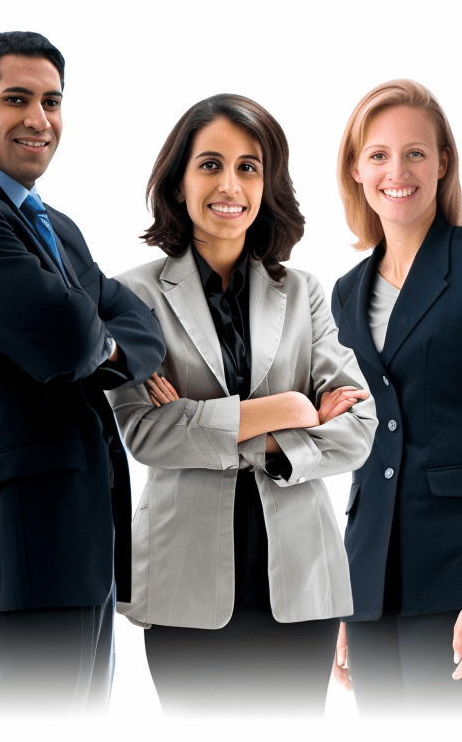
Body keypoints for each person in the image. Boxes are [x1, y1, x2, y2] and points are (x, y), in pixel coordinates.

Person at [106, 94, 375, 715]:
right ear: (177, 181)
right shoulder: (132, 294)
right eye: (210, 164)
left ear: (268, 182)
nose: (230, 184)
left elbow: (359, 427)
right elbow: (145, 433)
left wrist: (216, 430)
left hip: (301, 580)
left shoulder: (304, 291)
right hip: (184, 582)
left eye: (249, 166)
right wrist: (294, 407)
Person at [0, 31, 165, 715]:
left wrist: (103, 341)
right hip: (19, 534)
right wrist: (99, 340)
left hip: (80, 530)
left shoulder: (55, 225)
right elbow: (68, 339)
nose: (39, 119)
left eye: (52, 101)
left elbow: (144, 328)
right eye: (17, 99)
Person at [330, 79, 462, 714]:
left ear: (443, 163)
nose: (397, 171)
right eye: (378, 154)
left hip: (451, 571)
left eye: (415, 152)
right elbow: (360, 449)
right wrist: (344, 596)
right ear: (357, 170)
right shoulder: (345, 293)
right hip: (371, 579)